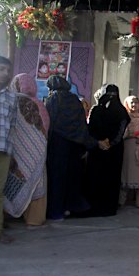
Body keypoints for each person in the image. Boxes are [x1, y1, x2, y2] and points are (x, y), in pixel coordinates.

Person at [45, 75, 99, 220]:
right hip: (75, 145)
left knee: (57, 178)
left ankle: (56, 211)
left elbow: (50, 122)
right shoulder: (75, 100)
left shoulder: (54, 99)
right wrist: (85, 144)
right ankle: (70, 207)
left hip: (58, 145)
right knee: (71, 178)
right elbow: (81, 124)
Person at [4, 73, 49, 227]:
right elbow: (46, 127)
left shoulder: (12, 100)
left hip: (14, 149)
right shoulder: (39, 104)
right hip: (38, 151)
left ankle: (7, 216)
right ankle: (34, 219)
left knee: (11, 179)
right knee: (37, 182)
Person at [84, 84, 130, 217]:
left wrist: (100, 142)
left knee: (96, 176)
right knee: (112, 177)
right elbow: (121, 130)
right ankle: (109, 207)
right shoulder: (121, 111)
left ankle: (94, 206)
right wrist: (111, 143)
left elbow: (90, 130)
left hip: (98, 150)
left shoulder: (96, 110)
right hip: (114, 151)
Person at [0, 56, 16, 243]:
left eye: (7, 70)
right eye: (1, 69)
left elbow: (14, 124)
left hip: (3, 149)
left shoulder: (11, 97)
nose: (5, 74)